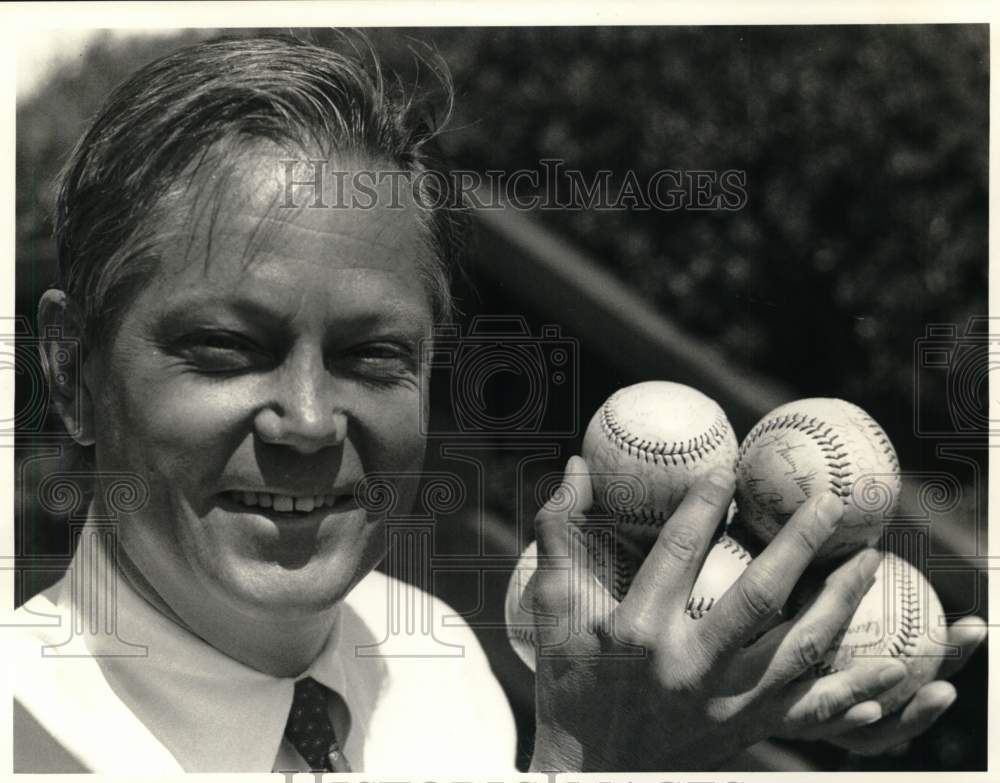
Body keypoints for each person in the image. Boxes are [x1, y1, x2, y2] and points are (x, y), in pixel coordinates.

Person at [11, 33, 985, 773]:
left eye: (372, 355)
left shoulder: (432, 660)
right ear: (69, 371)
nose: (308, 420)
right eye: (226, 350)